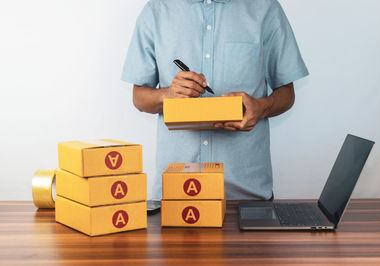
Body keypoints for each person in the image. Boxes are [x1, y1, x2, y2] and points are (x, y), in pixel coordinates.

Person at [121, 0, 309, 200]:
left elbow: (287, 93)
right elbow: (139, 97)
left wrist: (262, 107)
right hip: (176, 194)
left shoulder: (265, 8)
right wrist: (167, 94)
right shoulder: (156, 11)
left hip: (246, 193)